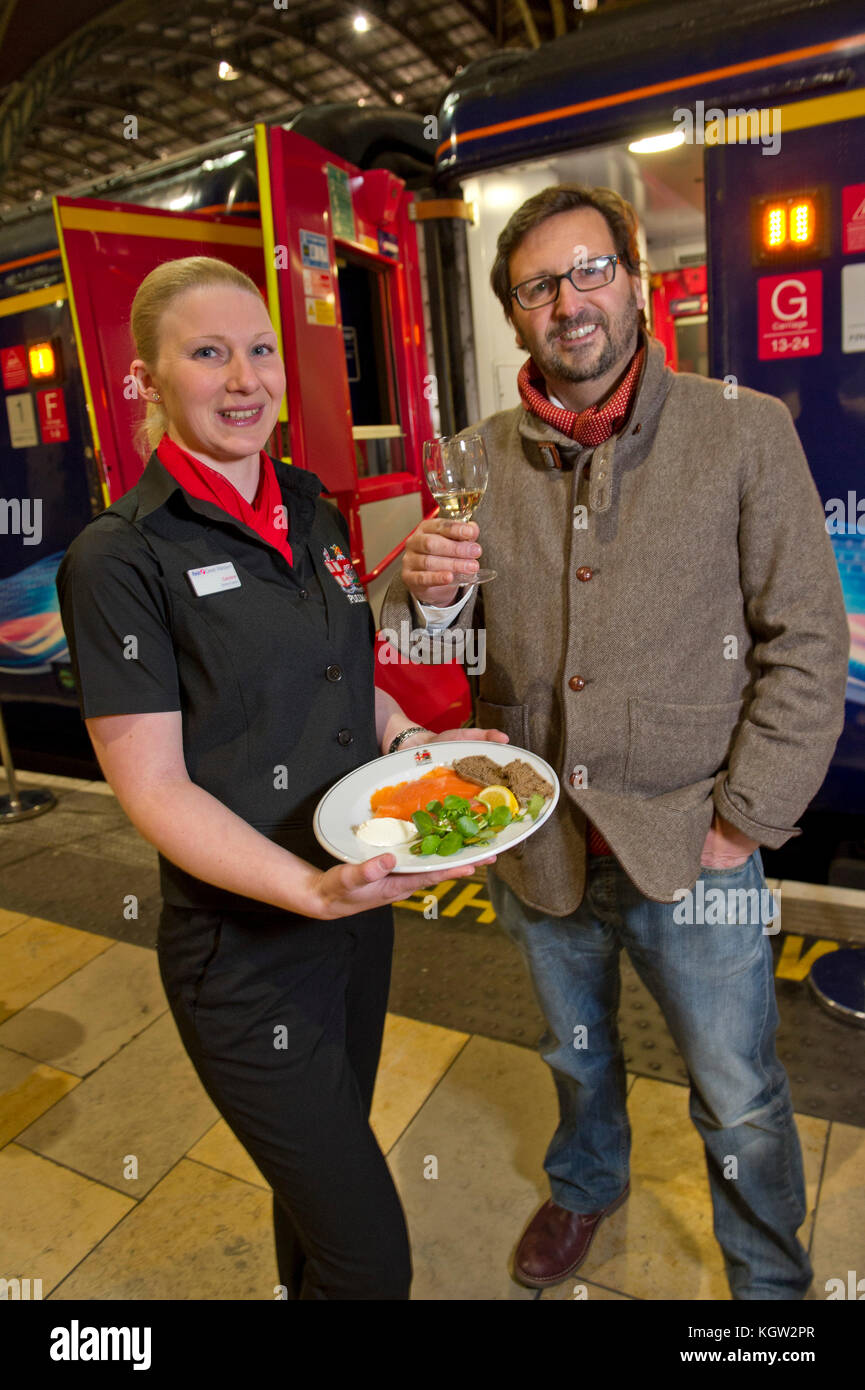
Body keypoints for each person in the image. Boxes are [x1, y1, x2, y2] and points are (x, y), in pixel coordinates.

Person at [382, 185, 850, 1300]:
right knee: (573, 1052)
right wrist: (427, 599)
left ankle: (769, 1282)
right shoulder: (476, 455)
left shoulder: (743, 429)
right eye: (540, 284)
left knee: (736, 1088)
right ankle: (588, 1180)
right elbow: (415, 638)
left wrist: (743, 823)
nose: (570, 300)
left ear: (635, 280)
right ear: (515, 316)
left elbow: (807, 640)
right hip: (536, 840)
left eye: (591, 269)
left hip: (696, 839)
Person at [55, 255, 507, 1301]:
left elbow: (344, 684)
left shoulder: (306, 506)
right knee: (370, 1260)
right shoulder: (118, 558)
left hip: (355, 917)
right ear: (147, 381)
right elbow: (154, 789)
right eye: (208, 352)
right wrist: (305, 889)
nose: (245, 375)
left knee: (315, 1201)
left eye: (259, 348)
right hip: (245, 947)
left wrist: (404, 746)